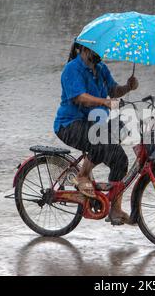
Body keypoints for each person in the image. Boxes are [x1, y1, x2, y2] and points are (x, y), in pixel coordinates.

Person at [54, 40, 138, 225]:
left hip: (94, 124)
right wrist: (104, 102)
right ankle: (83, 174)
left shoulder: (101, 68)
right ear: (83, 49)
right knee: (99, 138)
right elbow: (80, 97)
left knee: (120, 159)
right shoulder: (72, 69)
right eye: (95, 49)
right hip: (70, 125)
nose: (100, 53)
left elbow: (113, 90)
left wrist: (127, 87)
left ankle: (115, 210)